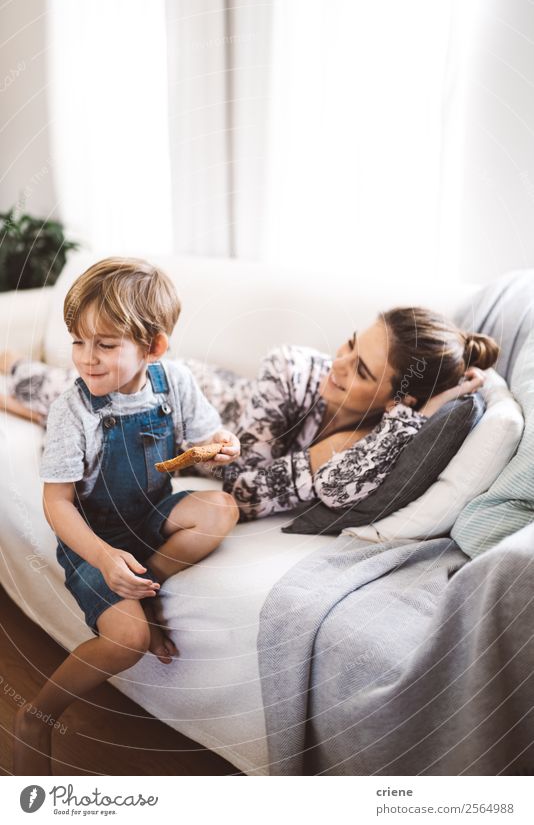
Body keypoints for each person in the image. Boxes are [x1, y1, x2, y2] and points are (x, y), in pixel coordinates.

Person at [12, 257, 241, 776]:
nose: (86, 360)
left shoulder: (172, 382)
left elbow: (207, 439)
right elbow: (57, 503)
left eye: (106, 344)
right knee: (129, 641)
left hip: (151, 512)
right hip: (93, 534)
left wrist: (223, 446)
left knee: (221, 508)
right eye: (78, 341)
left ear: (153, 347)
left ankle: (146, 591)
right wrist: (102, 556)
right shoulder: (73, 409)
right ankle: (39, 716)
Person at [2, 308, 499, 524]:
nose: (338, 365)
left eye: (362, 370)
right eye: (350, 344)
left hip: (166, 443)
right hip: (183, 397)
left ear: (396, 403)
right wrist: (315, 458)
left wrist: (410, 421)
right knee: (45, 384)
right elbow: (241, 487)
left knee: (47, 403)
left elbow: (335, 488)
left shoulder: (383, 435)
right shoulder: (292, 367)